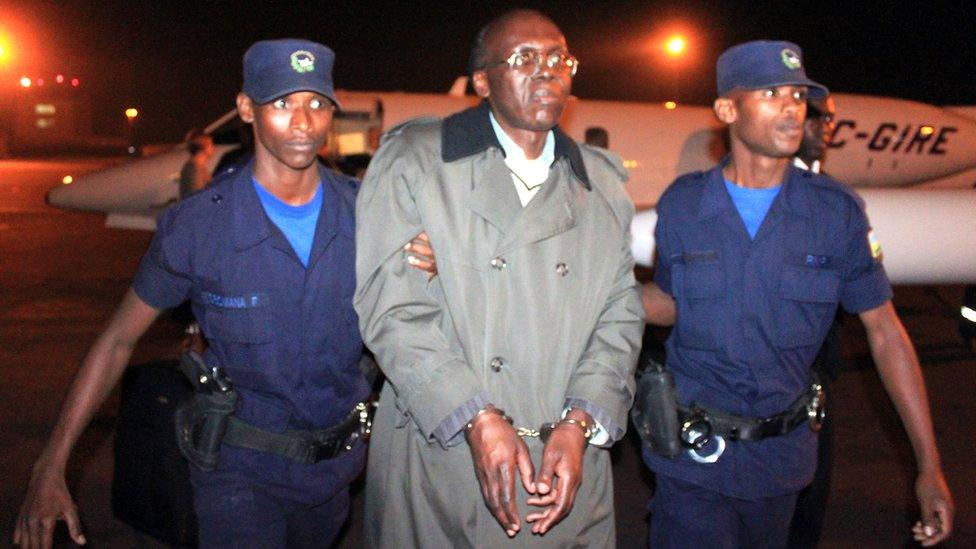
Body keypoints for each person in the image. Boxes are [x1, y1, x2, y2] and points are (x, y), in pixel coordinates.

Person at [13, 38, 433, 549]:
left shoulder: (370, 214)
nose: (303, 121)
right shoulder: (196, 227)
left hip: (335, 477)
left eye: (317, 103)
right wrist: (50, 463)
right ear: (245, 109)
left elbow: (423, 320)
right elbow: (118, 340)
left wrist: (432, 265)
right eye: (282, 103)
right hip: (239, 476)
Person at [640, 40, 953, 548]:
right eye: (770, 92)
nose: (791, 105)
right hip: (691, 464)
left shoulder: (836, 214)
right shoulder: (684, 206)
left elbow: (886, 334)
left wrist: (930, 466)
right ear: (727, 109)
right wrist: (609, 300)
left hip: (780, 467)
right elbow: (674, 303)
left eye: (796, 94)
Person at [355, 9, 644, 547]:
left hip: (566, 460)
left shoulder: (601, 183)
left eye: (559, 59)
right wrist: (475, 417)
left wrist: (582, 419)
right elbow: (392, 310)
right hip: (443, 453)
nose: (546, 72)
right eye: (524, 59)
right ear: (483, 81)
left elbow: (620, 314)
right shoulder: (419, 161)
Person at [787, 95, 839, 549]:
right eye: (818, 118)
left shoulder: (836, 203)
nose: (827, 128)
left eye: (829, 119)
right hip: (756, 392)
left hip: (814, 385)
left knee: (806, 512)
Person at [179, 130, 215, 198]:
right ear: (203, 147)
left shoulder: (198, 166)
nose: (213, 148)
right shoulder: (194, 168)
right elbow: (197, 197)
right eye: (210, 144)